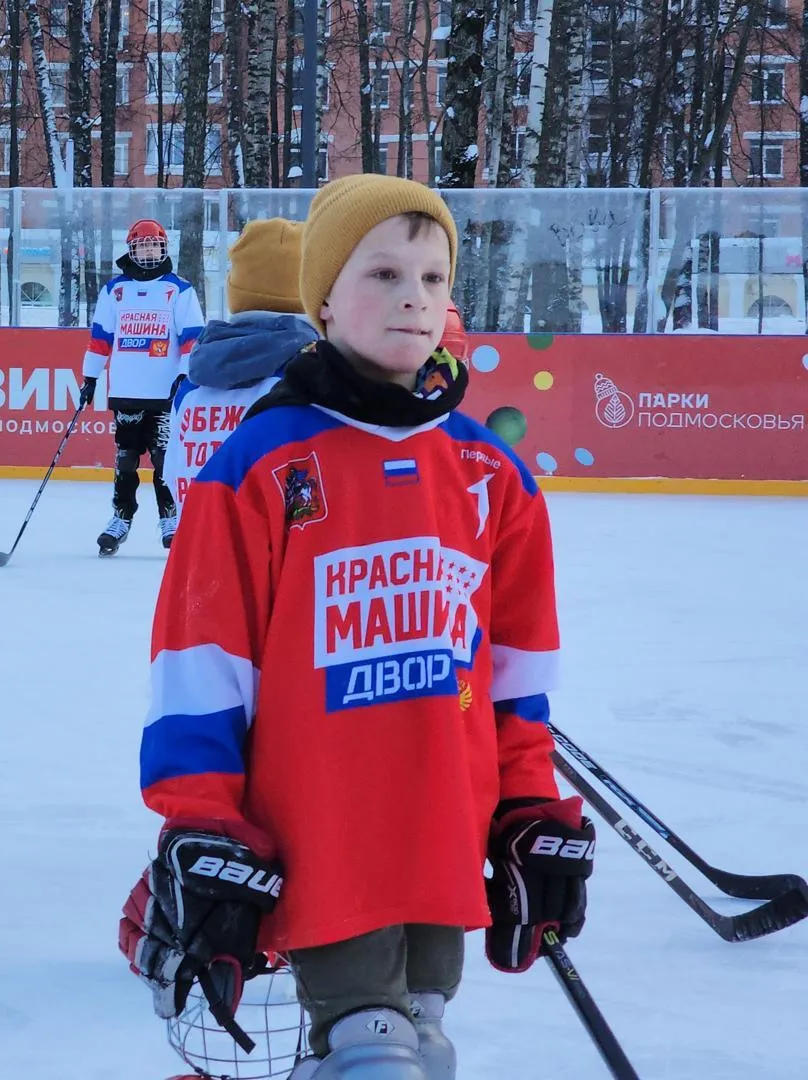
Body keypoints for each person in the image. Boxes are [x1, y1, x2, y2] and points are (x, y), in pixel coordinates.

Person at [118, 175, 591, 1080]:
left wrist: (529, 805)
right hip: (319, 845)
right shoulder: (258, 463)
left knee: (423, 1040)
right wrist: (203, 820)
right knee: (371, 1049)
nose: (413, 295)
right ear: (323, 299)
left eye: (432, 276)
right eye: (382, 272)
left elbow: (517, 676)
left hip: (443, 846)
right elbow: (200, 668)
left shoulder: (491, 472)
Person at [162, 219, 317, 545]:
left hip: (202, 554)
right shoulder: (311, 376)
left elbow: (173, 474)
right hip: (281, 566)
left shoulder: (191, 386)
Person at [80, 219, 206, 555]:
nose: (148, 251)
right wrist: (90, 377)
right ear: (131, 250)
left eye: (154, 245)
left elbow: (193, 336)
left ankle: (171, 518)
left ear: (163, 248)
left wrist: (185, 374)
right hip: (126, 389)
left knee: (165, 459)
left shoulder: (179, 289)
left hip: (165, 391)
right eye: (142, 245)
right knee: (125, 459)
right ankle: (121, 517)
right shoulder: (114, 291)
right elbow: (100, 339)